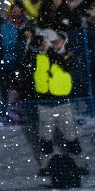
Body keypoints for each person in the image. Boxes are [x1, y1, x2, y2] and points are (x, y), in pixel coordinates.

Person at [32, 30, 86, 172]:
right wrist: (33, 43)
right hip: (44, 103)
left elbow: (65, 65)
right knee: (45, 138)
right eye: (53, 40)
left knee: (71, 136)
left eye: (59, 40)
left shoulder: (68, 55)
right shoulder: (40, 55)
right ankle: (45, 165)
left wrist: (49, 50)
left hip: (63, 103)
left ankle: (80, 164)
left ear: (65, 42)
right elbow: (27, 66)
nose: (55, 42)